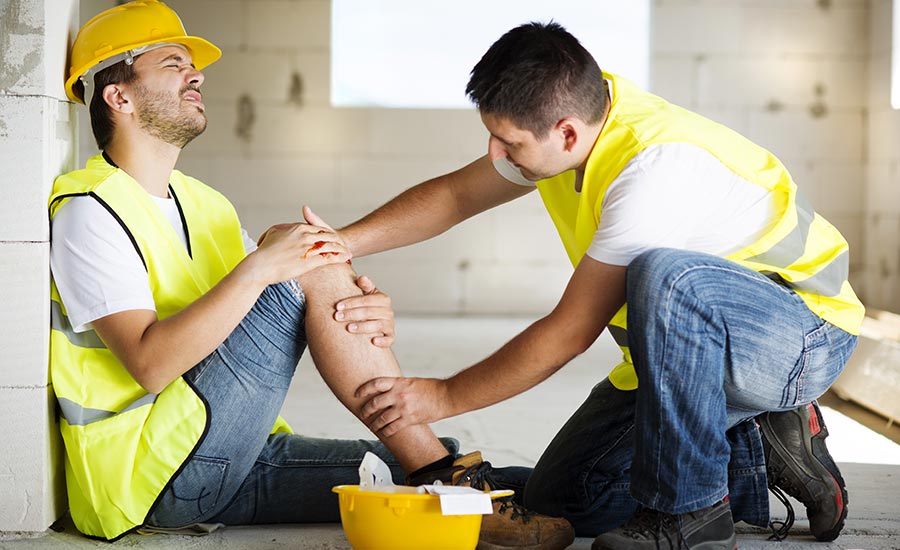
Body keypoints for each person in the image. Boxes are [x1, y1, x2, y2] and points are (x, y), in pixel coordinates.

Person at [50, 2, 575, 548]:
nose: (196, 74)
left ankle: (480, 480)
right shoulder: (90, 209)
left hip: (232, 455)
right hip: (151, 476)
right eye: (173, 63)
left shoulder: (204, 204)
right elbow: (150, 365)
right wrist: (278, 270)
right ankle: (441, 471)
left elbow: (265, 308)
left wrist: (357, 304)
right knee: (305, 253)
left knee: (481, 477)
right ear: (120, 96)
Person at [339, 22, 865, 550]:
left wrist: (443, 396)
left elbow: (569, 333)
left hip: (801, 335)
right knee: (566, 501)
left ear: (566, 132)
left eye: (509, 143)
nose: (496, 155)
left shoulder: (650, 170)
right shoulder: (572, 124)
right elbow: (455, 196)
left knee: (667, 275)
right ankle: (760, 436)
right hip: (698, 355)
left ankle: (692, 513)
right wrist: (341, 243)